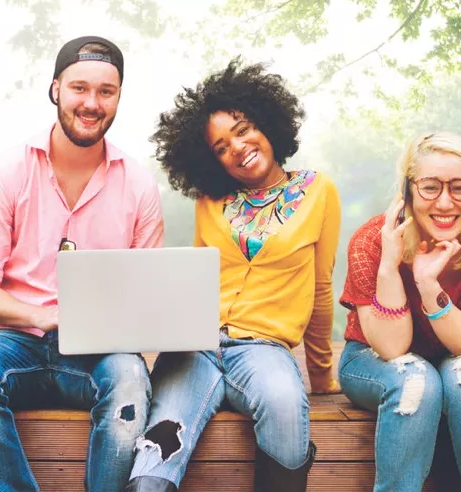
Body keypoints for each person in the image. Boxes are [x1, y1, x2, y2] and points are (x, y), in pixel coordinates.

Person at [0, 36, 162, 492]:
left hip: (100, 350)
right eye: (79, 88)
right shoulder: (7, 172)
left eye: (106, 91)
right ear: (55, 90)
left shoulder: (140, 185)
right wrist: (42, 315)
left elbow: (147, 298)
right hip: (13, 341)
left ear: (119, 97)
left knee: (129, 380)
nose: (92, 103)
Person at [124, 60, 338, 492]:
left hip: (264, 349)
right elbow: (196, 279)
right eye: (221, 147)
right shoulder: (209, 200)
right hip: (195, 350)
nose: (238, 148)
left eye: (243, 130)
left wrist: (320, 374)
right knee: (158, 448)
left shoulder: (319, 191)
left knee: (284, 402)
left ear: (267, 124)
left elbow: (320, 286)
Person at [336, 132, 461, 491]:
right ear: (408, 190)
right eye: (430, 188)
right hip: (373, 358)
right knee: (416, 381)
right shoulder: (371, 240)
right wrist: (390, 266)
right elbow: (391, 348)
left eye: (459, 188)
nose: (445, 202)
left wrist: (427, 283)